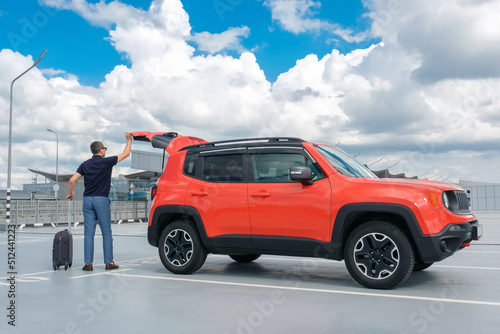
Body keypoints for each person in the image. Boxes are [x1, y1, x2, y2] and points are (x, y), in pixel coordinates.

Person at [67, 132, 132, 271]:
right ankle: (109, 263)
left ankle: (88, 264)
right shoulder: (107, 162)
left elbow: (72, 180)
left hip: (87, 200)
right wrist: (129, 139)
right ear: (101, 149)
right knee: (106, 232)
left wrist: (70, 193)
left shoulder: (85, 164)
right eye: (105, 148)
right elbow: (126, 154)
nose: (105, 151)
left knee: (88, 233)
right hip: (101, 200)